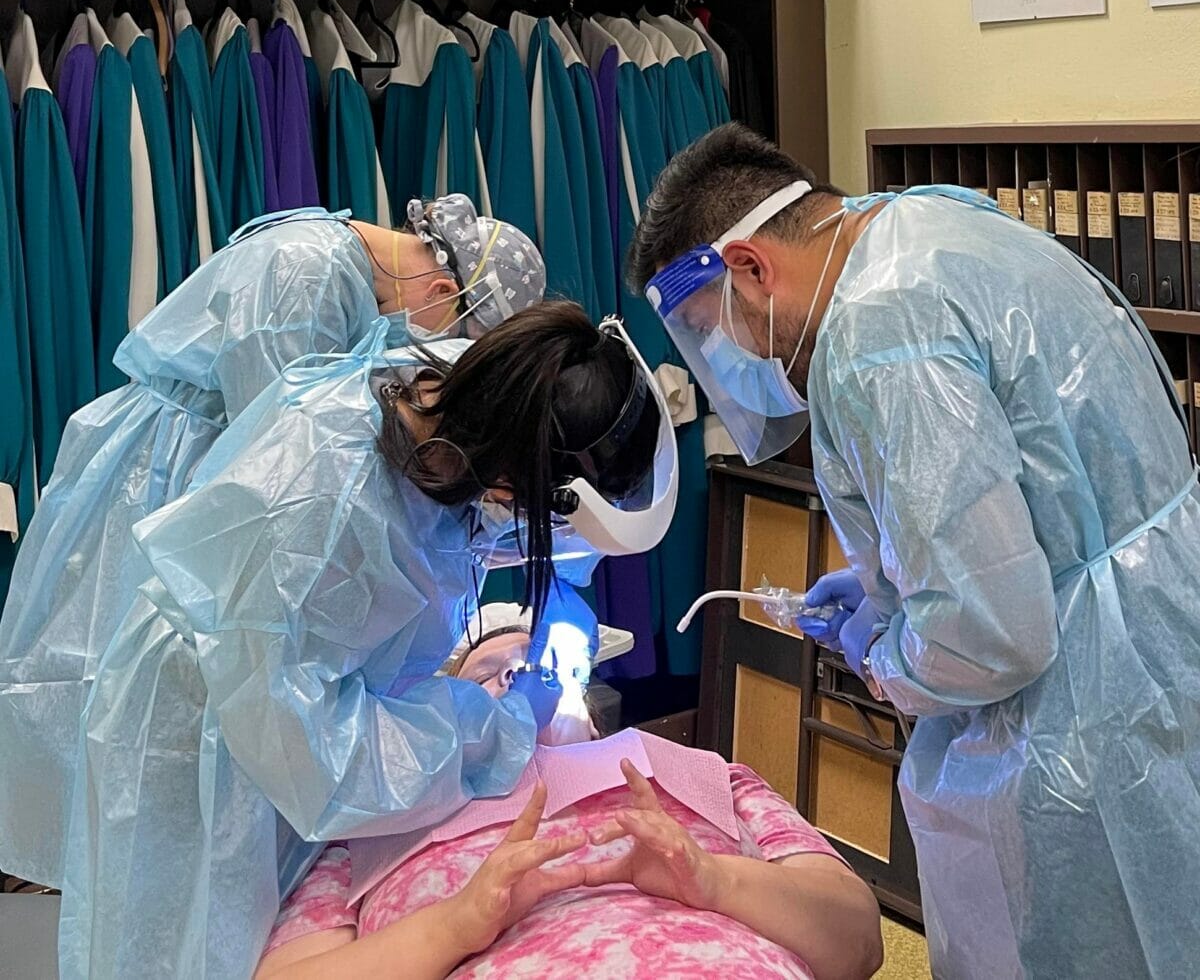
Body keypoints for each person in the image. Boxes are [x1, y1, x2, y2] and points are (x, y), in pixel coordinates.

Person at [626, 122, 1200, 979]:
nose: (736, 353)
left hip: (1087, 710)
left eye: (721, 329)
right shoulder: (916, 222)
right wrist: (891, 581)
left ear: (750, 265)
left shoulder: (877, 338)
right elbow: (1017, 492)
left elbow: (992, 633)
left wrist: (886, 654)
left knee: (1107, 939)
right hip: (1159, 622)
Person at [55, 300, 667, 979]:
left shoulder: (475, 398)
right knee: (189, 954)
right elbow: (318, 756)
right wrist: (503, 723)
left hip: (264, 696)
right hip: (205, 734)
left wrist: (559, 598)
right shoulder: (331, 506)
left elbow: (450, 533)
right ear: (507, 478)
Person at [0, 197, 546, 897]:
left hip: (213, 487)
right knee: (138, 746)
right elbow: (282, 464)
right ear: (444, 291)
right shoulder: (304, 277)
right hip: (172, 489)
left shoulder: (347, 270)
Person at [253, 620, 883, 980]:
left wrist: (716, 881)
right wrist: (455, 925)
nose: (525, 681)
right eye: (488, 676)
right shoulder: (374, 825)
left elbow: (858, 940)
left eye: (543, 665)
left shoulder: (703, 774)